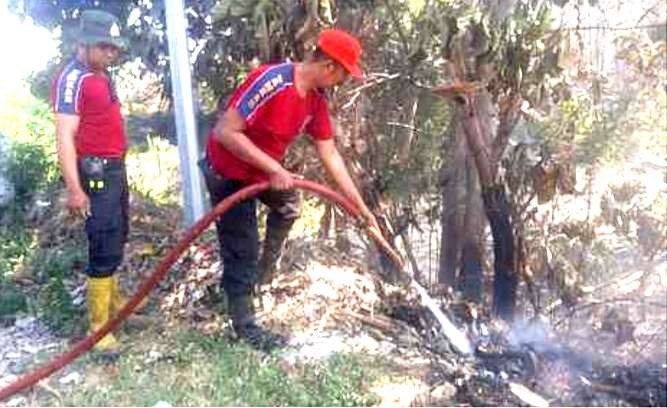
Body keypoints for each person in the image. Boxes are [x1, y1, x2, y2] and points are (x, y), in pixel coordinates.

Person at [200, 29, 381, 348]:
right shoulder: (271, 82)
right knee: (242, 246)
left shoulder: (315, 100)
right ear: (328, 66)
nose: (342, 82)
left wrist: (361, 208)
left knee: (288, 207)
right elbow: (225, 132)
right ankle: (244, 327)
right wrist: (274, 169)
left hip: (261, 173)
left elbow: (330, 155)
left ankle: (259, 278)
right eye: (343, 75)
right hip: (228, 172)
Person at [51, 10, 132, 353]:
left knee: (118, 233)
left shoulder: (99, 74)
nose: (112, 54)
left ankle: (115, 307)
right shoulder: (73, 79)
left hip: (114, 169)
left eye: (114, 48)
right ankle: (98, 328)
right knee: (102, 240)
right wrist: (74, 189)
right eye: (106, 48)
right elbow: (65, 137)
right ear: (84, 43)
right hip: (95, 173)